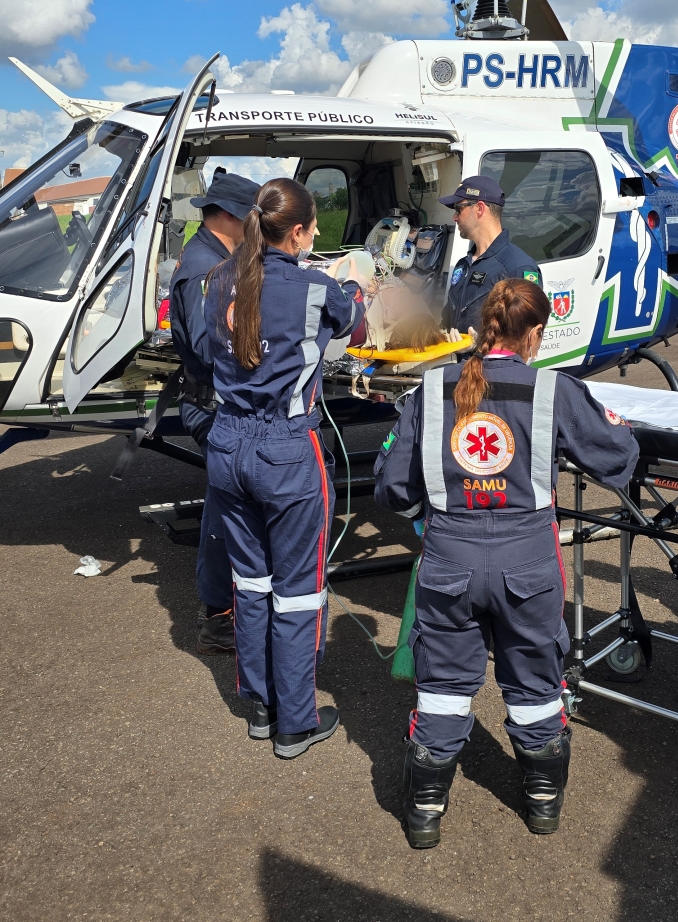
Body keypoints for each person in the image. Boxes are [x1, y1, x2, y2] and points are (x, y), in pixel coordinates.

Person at [374, 278, 640, 848]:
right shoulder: (554, 392)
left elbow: (392, 489)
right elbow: (615, 455)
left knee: (443, 686)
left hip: (449, 559)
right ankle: (543, 804)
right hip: (529, 564)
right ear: (535, 333)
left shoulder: (429, 390)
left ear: (480, 329)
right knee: (536, 684)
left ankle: (424, 810)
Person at [203, 177, 368, 758]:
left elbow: (206, 350)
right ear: (295, 232)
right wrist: (355, 286)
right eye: (313, 225)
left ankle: (261, 702)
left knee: (250, 582)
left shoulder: (219, 279)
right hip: (285, 450)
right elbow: (357, 329)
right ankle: (296, 720)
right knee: (298, 591)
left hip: (227, 446)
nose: (317, 233)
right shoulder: (317, 288)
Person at [170, 169, 261, 656]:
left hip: (218, 403)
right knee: (228, 509)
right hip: (213, 407)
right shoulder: (206, 269)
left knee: (231, 503)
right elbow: (209, 350)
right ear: (229, 215)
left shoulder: (219, 256)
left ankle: (229, 606)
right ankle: (220, 615)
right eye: (252, 215)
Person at [440, 175, 541, 338]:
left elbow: (527, 335)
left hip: (492, 364)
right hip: (460, 363)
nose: (454, 217)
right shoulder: (463, 265)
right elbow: (447, 320)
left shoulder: (518, 267)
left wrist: (479, 346)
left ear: (479, 208)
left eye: (459, 208)